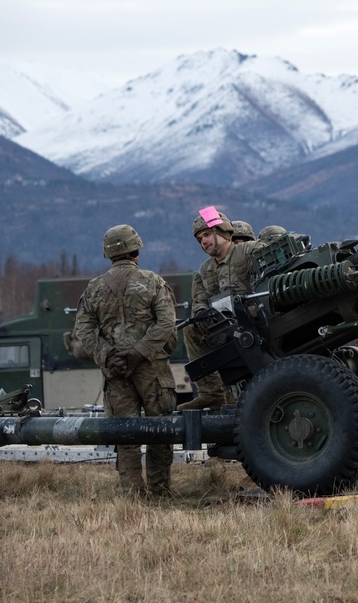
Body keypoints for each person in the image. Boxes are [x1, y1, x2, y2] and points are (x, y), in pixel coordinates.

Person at [73, 224, 178, 496]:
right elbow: (167, 322)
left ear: (108, 254)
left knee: (124, 435)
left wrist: (107, 355)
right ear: (136, 250)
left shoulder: (94, 288)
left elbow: (83, 330)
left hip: (115, 372)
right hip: (153, 369)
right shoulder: (153, 281)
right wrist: (140, 352)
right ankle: (160, 491)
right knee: (159, 431)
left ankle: (133, 494)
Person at [179, 206, 259, 411]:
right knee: (191, 329)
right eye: (199, 239)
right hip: (223, 327)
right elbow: (200, 302)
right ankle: (211, 394)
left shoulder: (248, 251)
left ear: (221, 231)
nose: (203, 241)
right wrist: (201, 316)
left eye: (206, 234)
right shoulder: (205, 270)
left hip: (257, 320)